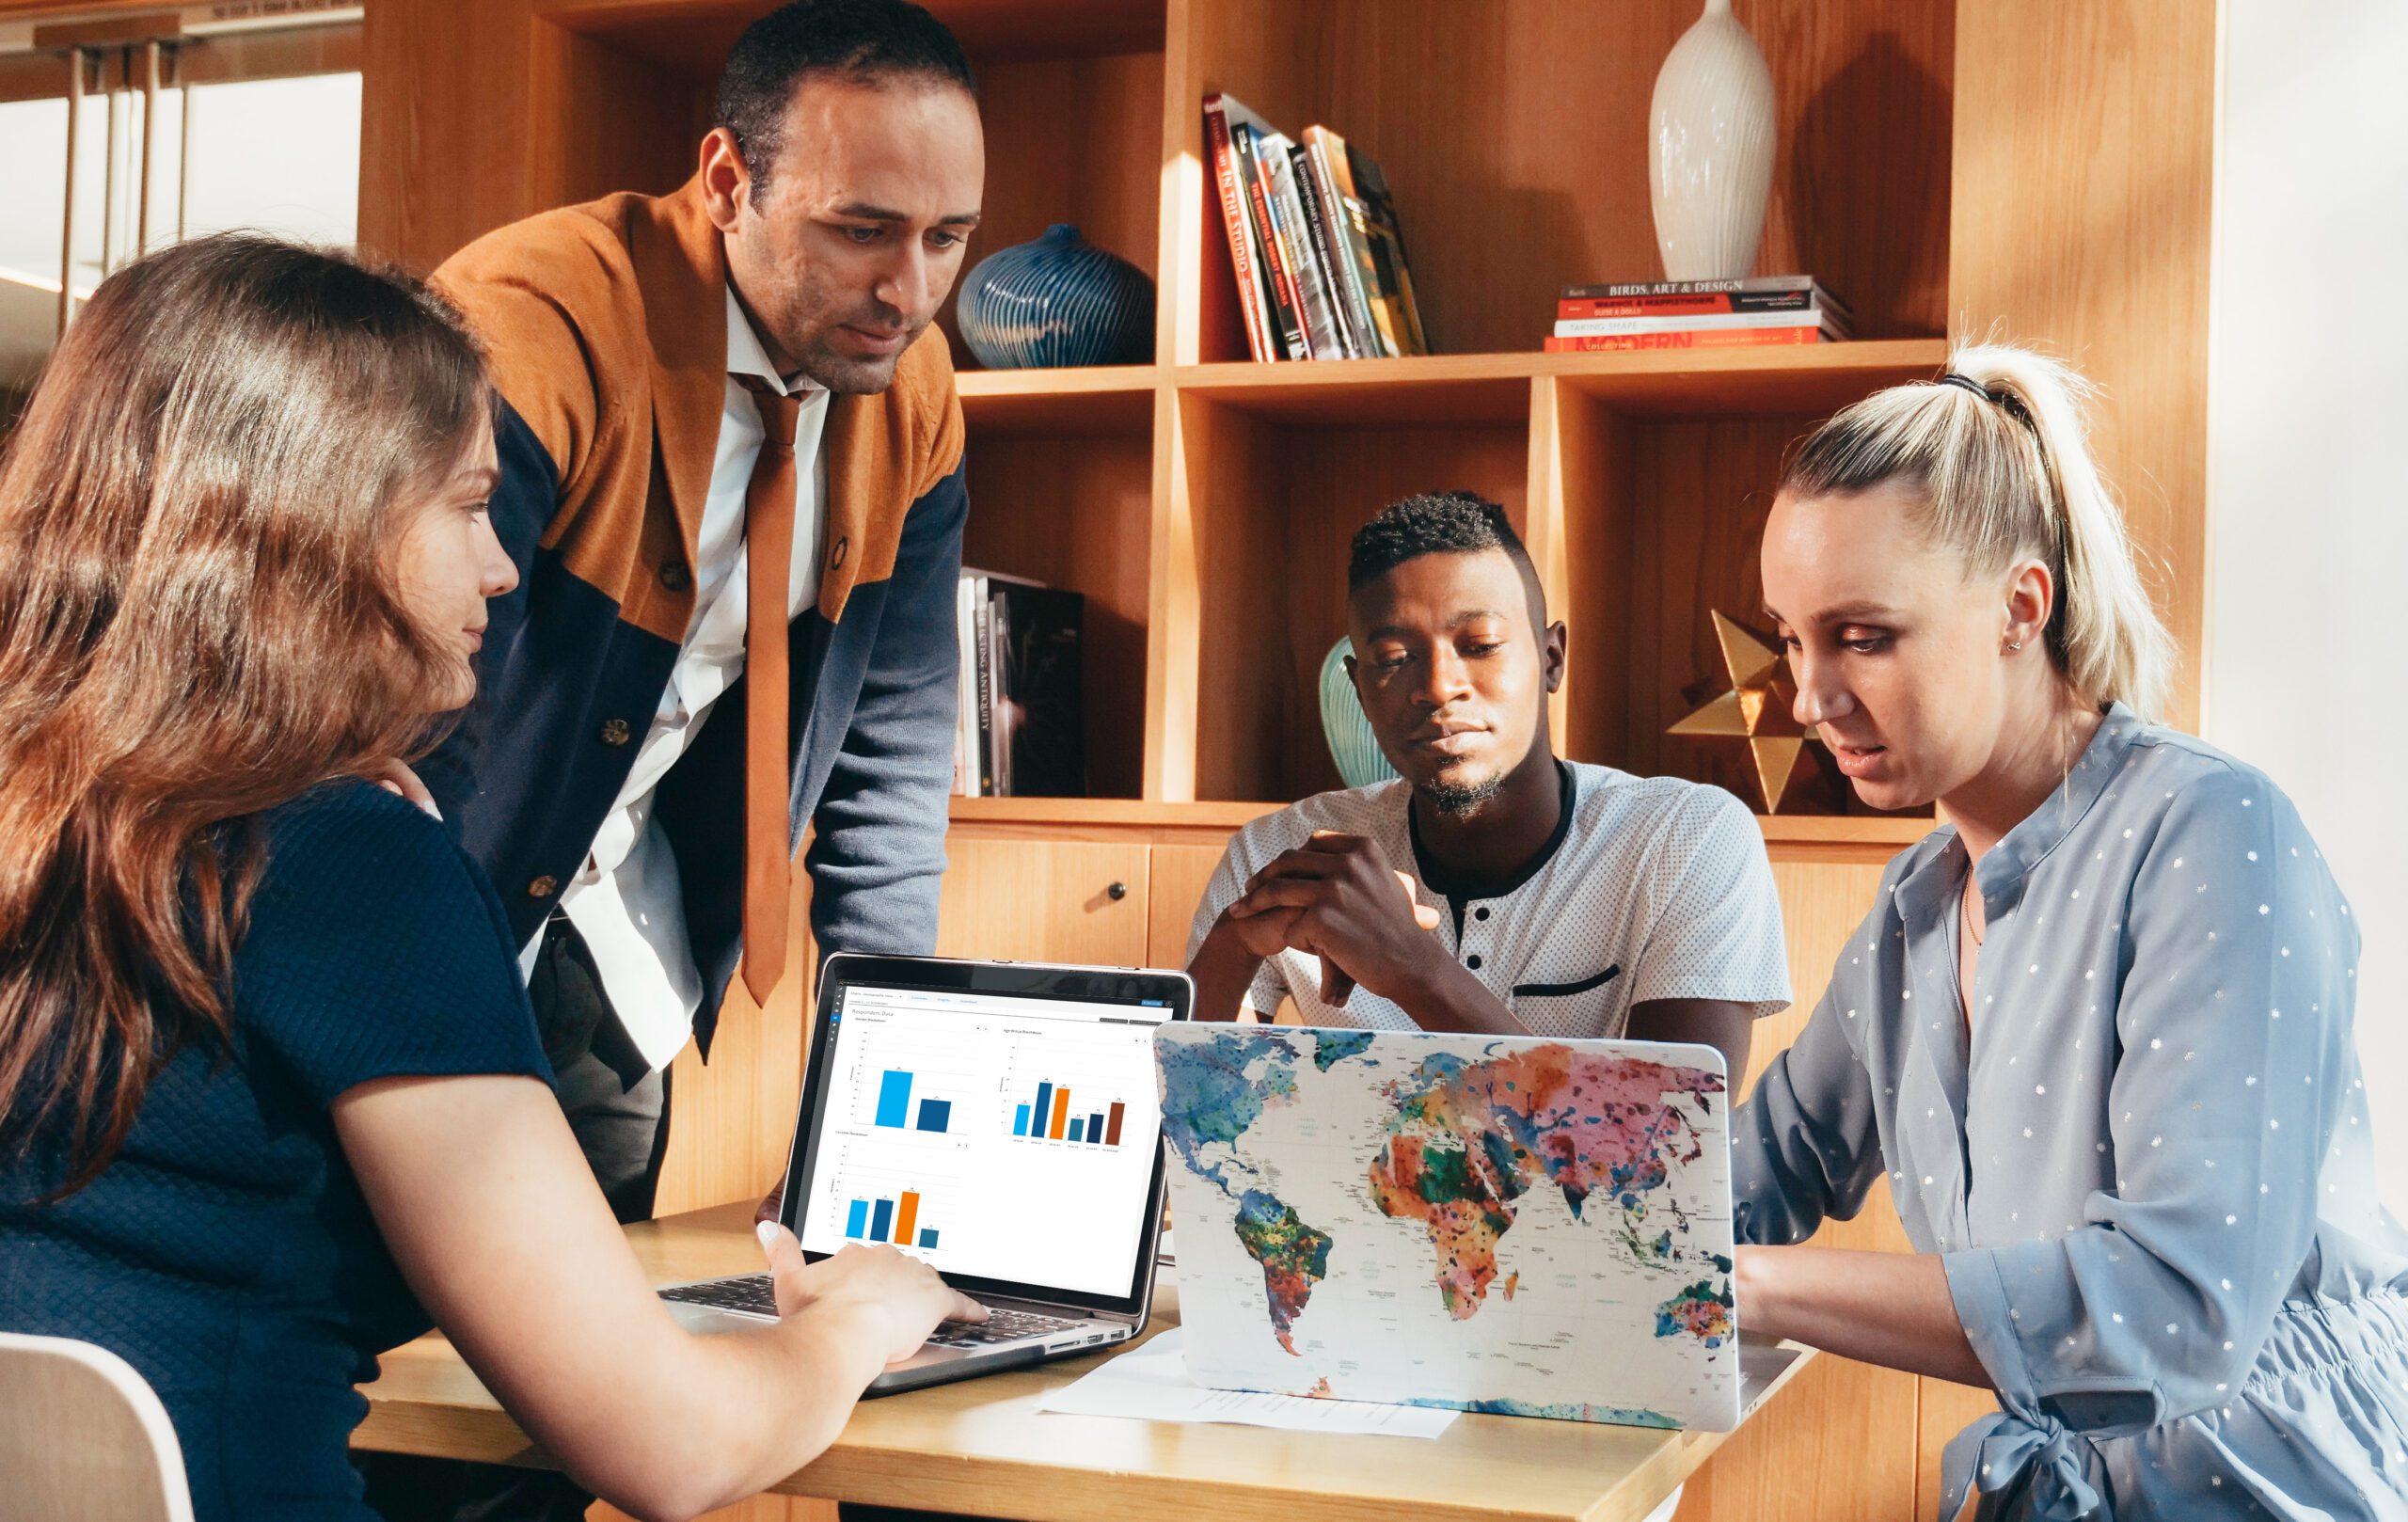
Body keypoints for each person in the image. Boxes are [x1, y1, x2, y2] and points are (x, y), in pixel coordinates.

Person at [0, 234, 981, 1522]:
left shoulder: (63, 825)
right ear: (315, 523)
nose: (504, 565)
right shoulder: (341, 864)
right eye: (466, 506)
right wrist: (858, 1319)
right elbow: (667, 1446)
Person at [1731, 345, 2408, 1519]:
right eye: (1792, 638)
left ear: (2019, 608)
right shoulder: (1911, 914)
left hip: (2277, 1487)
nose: (1808, 696)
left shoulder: (2213, 836)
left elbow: (2173, 1307)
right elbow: (1747, 1174)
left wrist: (1747, 1286)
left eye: (1863, 636)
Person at [420, 0, 982, 1233]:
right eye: (862, 230)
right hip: (428, 924)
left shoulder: (913, 395)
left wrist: (874, 1106)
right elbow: (413, 698)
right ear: (727, 179)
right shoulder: (534, 322)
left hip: (620, 960)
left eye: (948, 237)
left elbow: (886, 767)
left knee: (582, 1378)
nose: (909, 290)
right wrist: (409, 1019)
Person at [1184, 490, 1792, 1078]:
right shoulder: (1282, 855)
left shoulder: (1686, 841)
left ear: (1552, 659)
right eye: (1394, 659)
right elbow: (1185, 1123)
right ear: (1360, 688)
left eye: (1480, 645)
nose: (1439, 686)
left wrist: (1413, 968)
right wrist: (1236, 941)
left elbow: (1670, 1154)